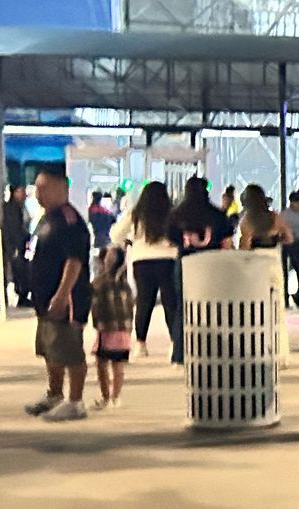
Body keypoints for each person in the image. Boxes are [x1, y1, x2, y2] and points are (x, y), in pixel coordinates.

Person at [23, 167, 93, 423]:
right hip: (44, 297)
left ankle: (75, 402)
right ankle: (54, 394)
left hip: (67, 298)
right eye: (37, 188)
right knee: (50, 349)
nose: (39, 193)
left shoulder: (69, 220)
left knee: (70, 348)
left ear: (61, 188)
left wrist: (63, 294)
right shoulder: (46, 218)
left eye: (44, 188)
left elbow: (74, 261)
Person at [118, 182, 182, 361]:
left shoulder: (136, 214)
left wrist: (130, 241)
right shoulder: (172, 214)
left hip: (142, 261)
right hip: (168, 260)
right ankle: (174, 343)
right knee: (171, 303)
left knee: (144, 302)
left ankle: (140, 344)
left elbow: (115, 234)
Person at [89, 246, 136, 412]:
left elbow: (94, 305)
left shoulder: (99, 283)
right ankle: (115, 397)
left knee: (102, 363)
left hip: (107, 329)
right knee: (118, 364)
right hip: (123, 329)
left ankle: (106, 397)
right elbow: (131, 306)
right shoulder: (125, 285)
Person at [171, 178, 234, 255]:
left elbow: (171, 241)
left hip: (184, 263)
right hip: (212, 262)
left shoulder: (175, 216)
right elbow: (227, 242)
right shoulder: (218, 216)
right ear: (206, 192)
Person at [2, 183, 31, 307]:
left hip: (20, 244)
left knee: (21, 270)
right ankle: (21, 295)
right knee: (18, 271)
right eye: (21, 191)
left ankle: (22, 295)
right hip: (15, 244)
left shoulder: (20, 207)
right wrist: (14, 246)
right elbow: (13, 229)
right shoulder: (12, 209)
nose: (24, 194)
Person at [236, 186, 288, 251]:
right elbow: (289, 238)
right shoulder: (276, 217)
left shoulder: (246, 222)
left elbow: (245, 248)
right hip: (274, 258)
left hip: (255, 259)